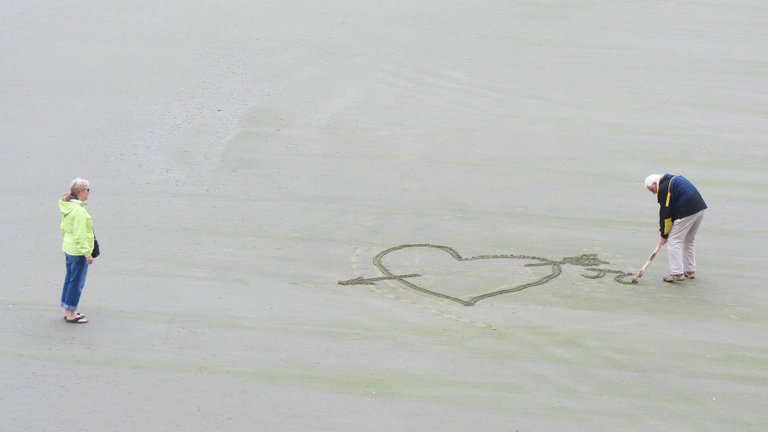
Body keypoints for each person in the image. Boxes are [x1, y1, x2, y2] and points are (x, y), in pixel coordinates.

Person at [644, 174, 707, 283]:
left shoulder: (663, 188)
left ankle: (677, 273)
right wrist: (665, 232)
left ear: (654, 184)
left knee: (673, 241)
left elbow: (666, 213)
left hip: (688, 211)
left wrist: (664, 235)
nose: (653, 193)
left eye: (651, 189)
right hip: (699, 209)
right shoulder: (671, 180)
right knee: (689, 239)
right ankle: (690, 271)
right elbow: (671, 209)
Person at [59, 178, 95, 323]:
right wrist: (88, 253)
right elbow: (80, 235)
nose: (88, 193)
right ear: (80, 192)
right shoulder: (79, 211)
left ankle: (67, 308)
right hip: (78, 251)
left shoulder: (67, 206)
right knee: (76, 282)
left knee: (70, 279)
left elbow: (63, 228)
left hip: (68, 248)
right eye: (87, 190)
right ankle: (71, 313)